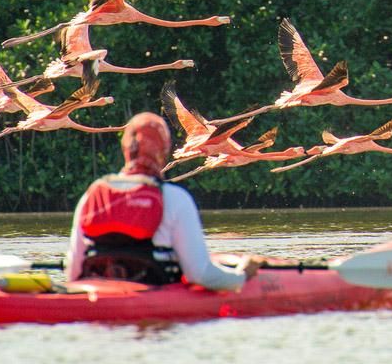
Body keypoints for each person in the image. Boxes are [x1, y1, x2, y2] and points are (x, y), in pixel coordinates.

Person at [65, 111, 263, 289]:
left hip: (96, 297)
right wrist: (241, 275)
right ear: (163, 150)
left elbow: (72, 273)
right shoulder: (175, 198)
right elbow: (199, 274)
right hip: (151, 290)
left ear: (125, 148)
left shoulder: (92, 194)